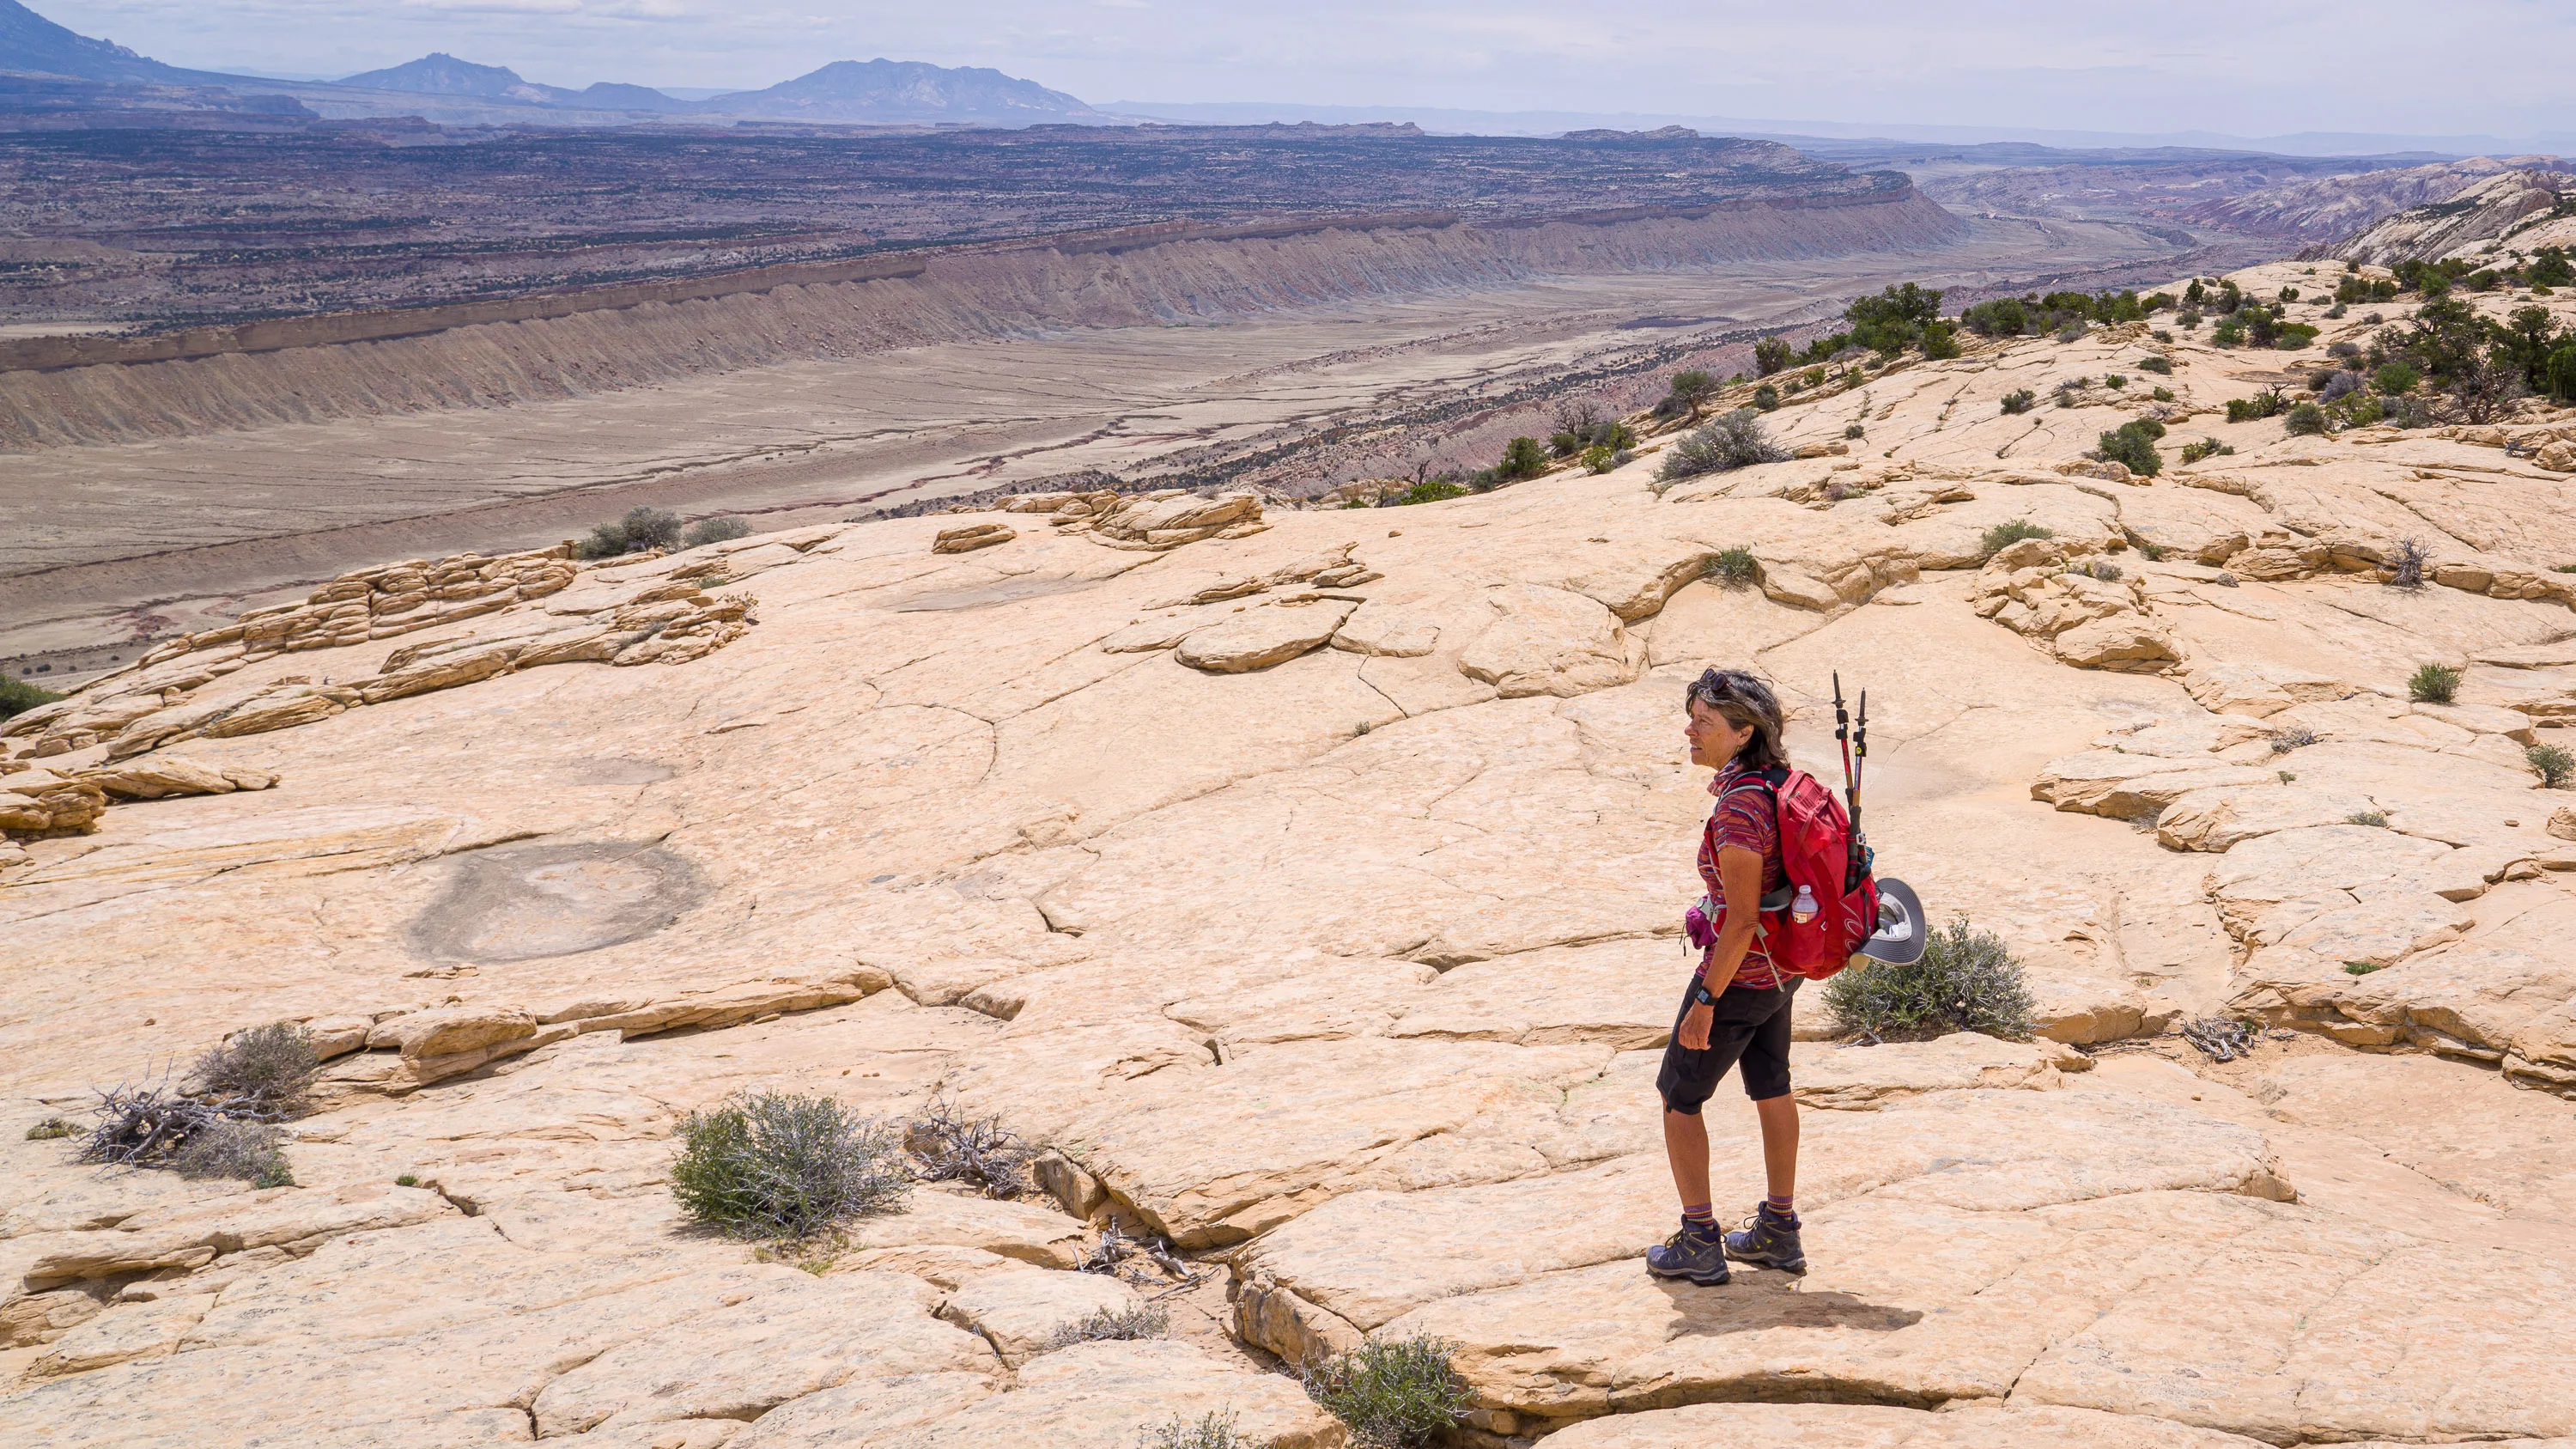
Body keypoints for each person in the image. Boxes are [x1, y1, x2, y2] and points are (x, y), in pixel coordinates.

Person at [1645, 667, 1807, 1287]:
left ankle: (1699, 1240)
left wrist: (1706, 998)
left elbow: (1739, 920)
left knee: (1679, 1095)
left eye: (1703, 722)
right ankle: (1778, 1228)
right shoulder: (1777, 782)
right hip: (1784, 964)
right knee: (1771, 1080)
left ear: (1743, 733)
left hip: (1743, 970)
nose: (1690, 729)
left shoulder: (1741, 808)